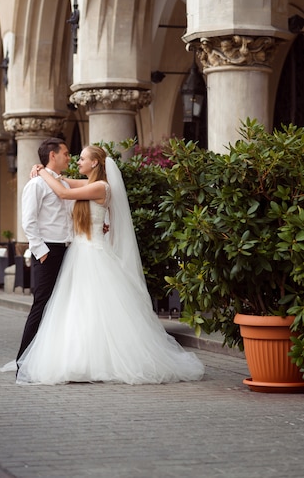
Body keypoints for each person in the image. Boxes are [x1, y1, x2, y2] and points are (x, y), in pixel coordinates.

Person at [12, 145, 205, 385]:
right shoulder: (87, 183)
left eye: (82, 158)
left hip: (92, 253)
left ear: (95, 163)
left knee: (96, 307)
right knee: (77, 308)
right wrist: (42, 170)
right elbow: (64, 182)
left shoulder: (101, 186)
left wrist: (41, 173)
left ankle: (99, 360)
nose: (77, 161)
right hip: (77, 252)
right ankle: (79, 357)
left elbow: (63, 193)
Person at [14, 137, 72, 368]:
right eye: (66, 153)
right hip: (49, 250)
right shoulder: (36, 185)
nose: (69, 157)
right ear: (53, 155)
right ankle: (23, 361)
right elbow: (28, 221)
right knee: (42, 304)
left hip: (68, 250)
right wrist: (41, 251)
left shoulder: (64, 184)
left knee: (62, 304)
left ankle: (52, 359)